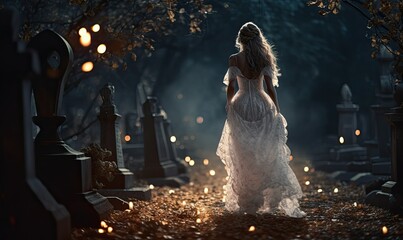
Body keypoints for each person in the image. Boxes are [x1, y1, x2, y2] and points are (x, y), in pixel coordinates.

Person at [216, 22, 306, 218]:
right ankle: (265, 196)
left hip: (241, 105)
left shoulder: (234, 59)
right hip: (261, 104)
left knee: (244, 151)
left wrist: (229, 104)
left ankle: (249, 200)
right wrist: (277, 109)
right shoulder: (264, 58)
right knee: (264, 149)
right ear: (257, 38)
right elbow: (270, 89)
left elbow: (231, 86)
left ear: (240, 39)